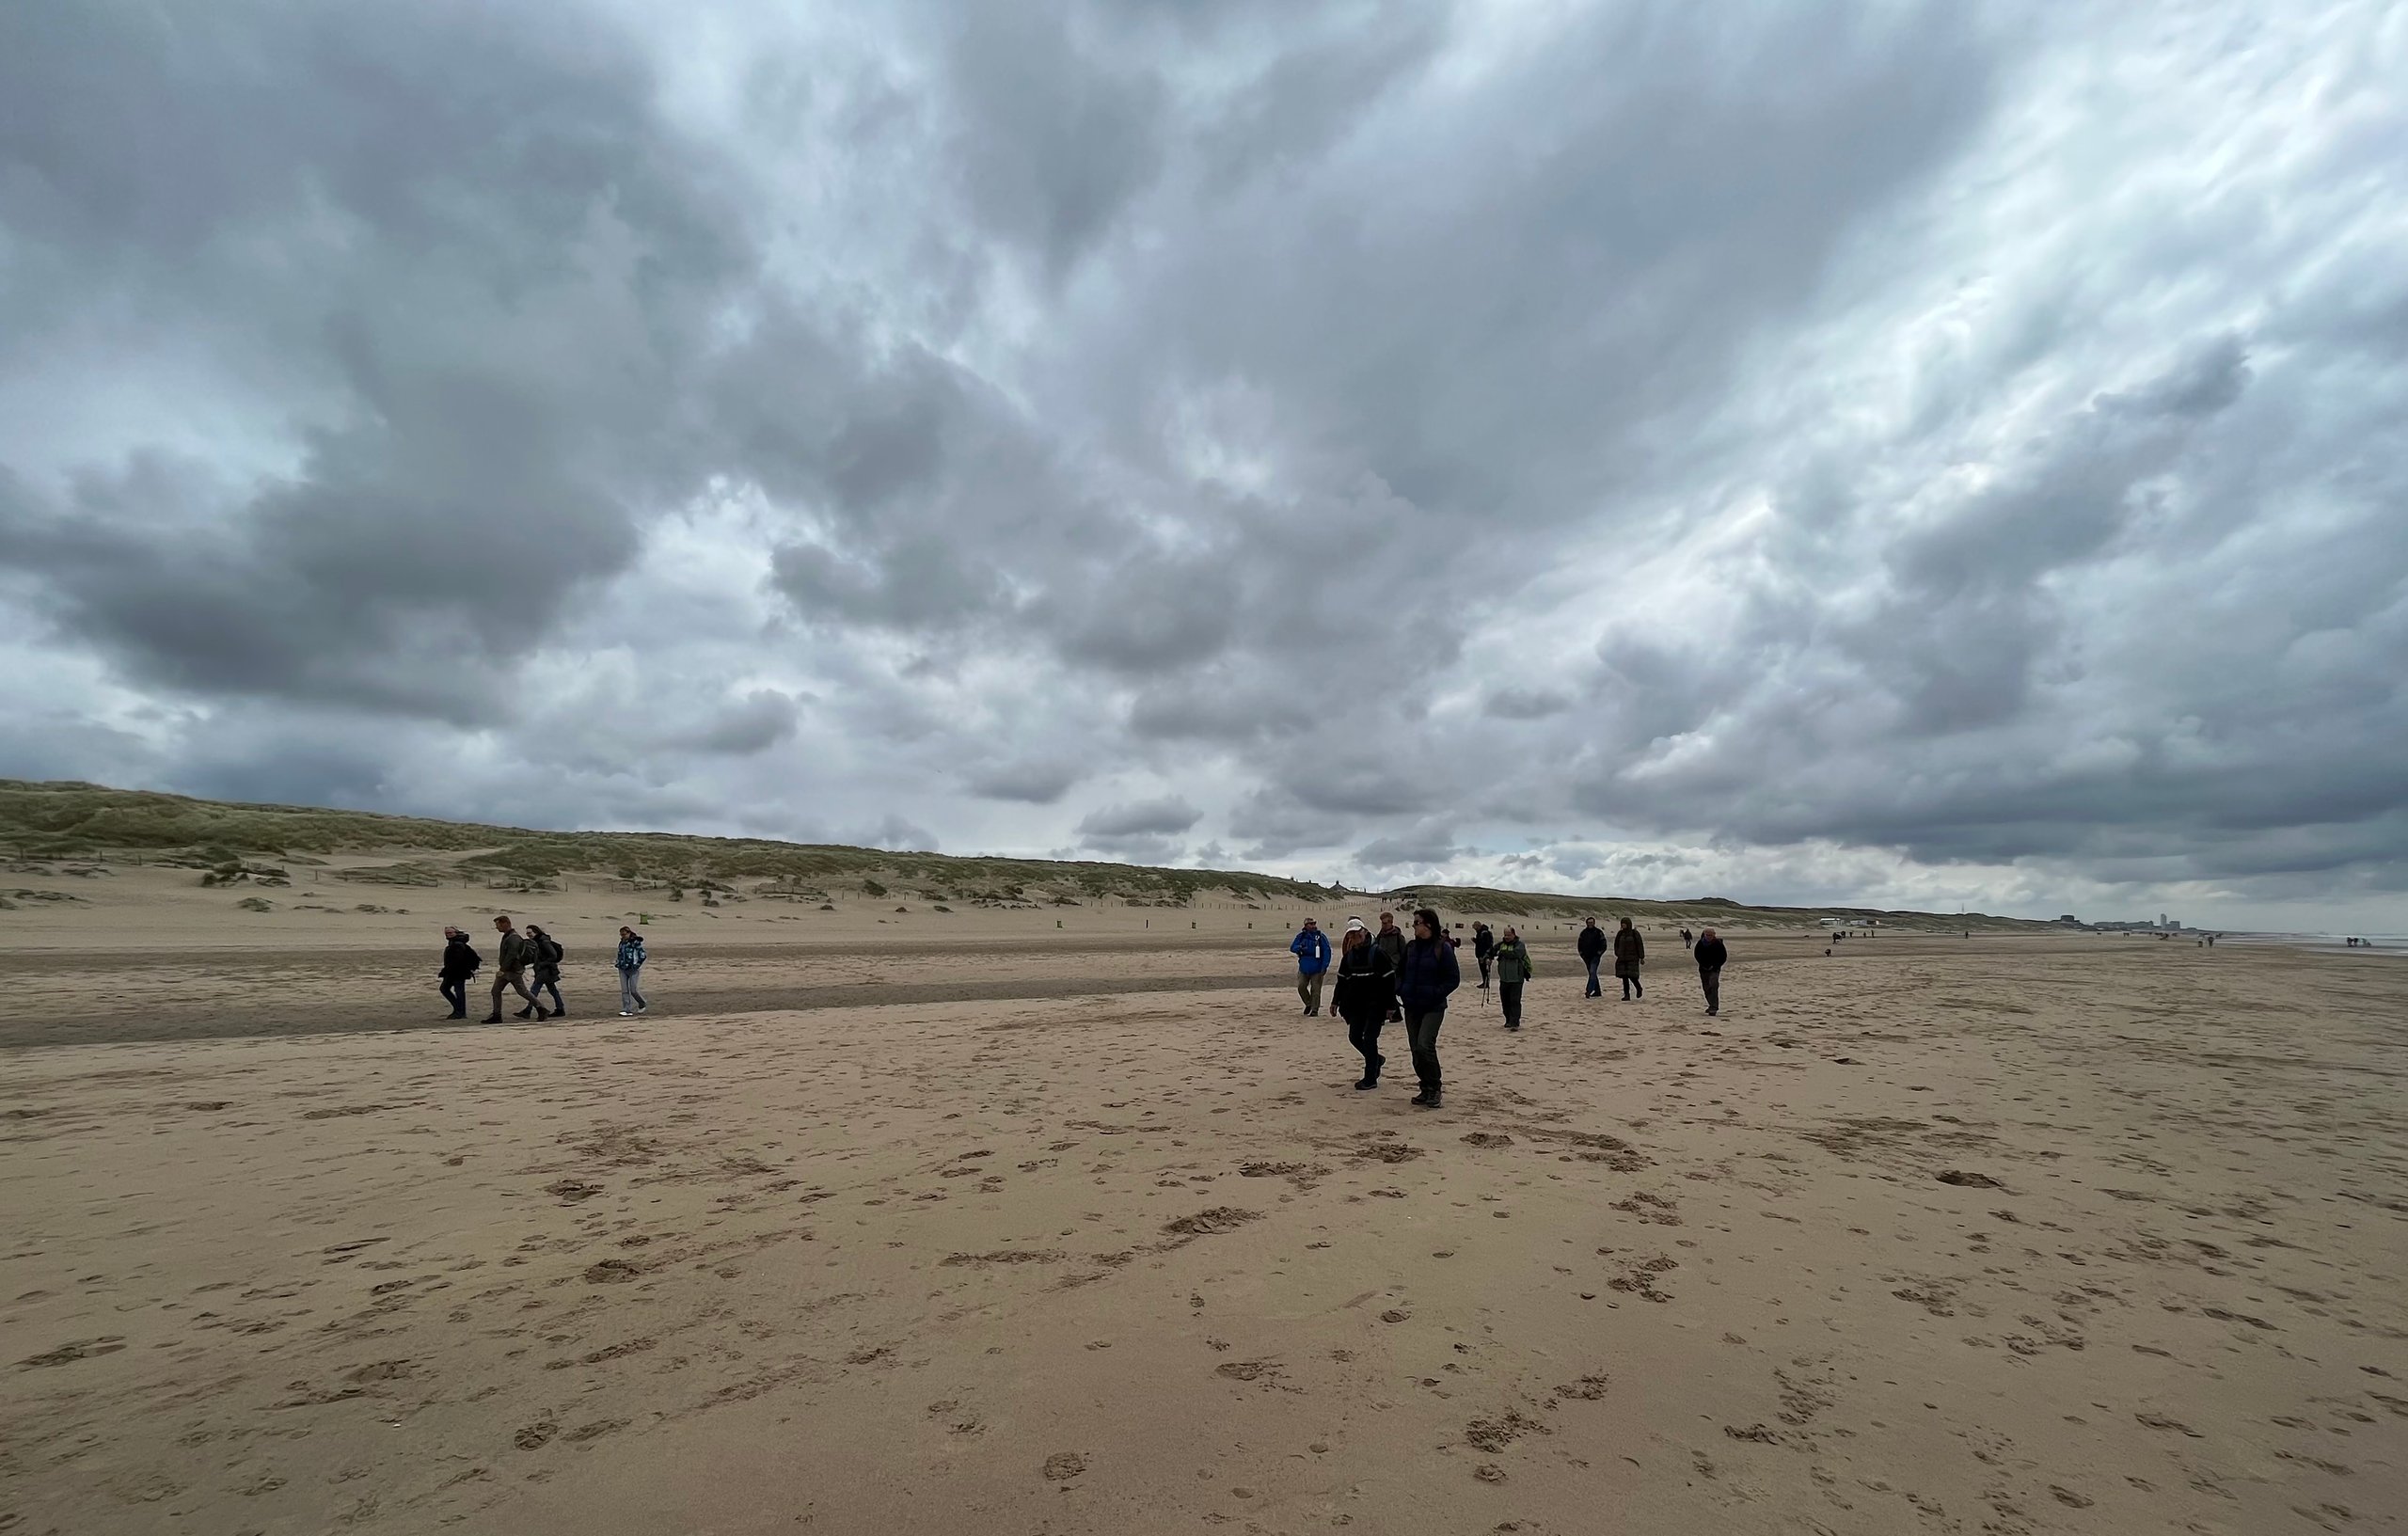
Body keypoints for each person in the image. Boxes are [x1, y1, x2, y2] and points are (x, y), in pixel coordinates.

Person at [1396, 908, 1460, 1107]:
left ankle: (1435, 1087)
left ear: (1429, 924)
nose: (1414, 926)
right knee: (1416, 1049)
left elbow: (1453, 979)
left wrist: (1434, 993)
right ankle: (1425, 1087)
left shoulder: (1443, 948)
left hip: (1433, 1006)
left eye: (1417, 922)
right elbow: (1399, 972)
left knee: (1425, 1045)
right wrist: (1401, 989)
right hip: (1411, 1005)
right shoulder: (1411, 947)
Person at [1330, 918, 1395, 1089]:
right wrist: (1335, 1001)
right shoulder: (1349, 957)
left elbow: (1389, 981)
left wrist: (1391, 1006)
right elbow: (1342, 981)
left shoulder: (1378, 953)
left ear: (1365, 931)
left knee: (1370, 1038)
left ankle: (1370, 1078)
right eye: (1351, 934)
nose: (1355, 936)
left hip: (1376, 1005)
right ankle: (1376, 1060)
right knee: (1354, 1037)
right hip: (1355, 1005)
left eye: (1357, 932)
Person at [482, 914, 547, 1022]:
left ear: (505, 924)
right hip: (511, 970)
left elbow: (512, 955)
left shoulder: (513, 938)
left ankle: (541, 1008)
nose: (497, 927)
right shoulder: (509, 936)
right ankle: (497, 1015)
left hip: (512, 970)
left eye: (498, 925)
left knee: (515, 991)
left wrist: (502, 970)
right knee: (506, 991)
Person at [1492, 925, 1533, 1031]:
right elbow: (1491, 951)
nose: (1506, 937)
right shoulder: (1501, 945)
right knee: (1505, 1001)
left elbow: (1515, 954)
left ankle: (1515, 1022)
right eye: (1505, 935)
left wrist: (1502, 952)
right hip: (1504, 979)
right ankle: (1508, 1020)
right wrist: (1486, 957)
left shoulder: (1520, 945)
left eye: (1509, 935)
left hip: (1517, 978)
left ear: (1514, 935)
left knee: (1514, 1001)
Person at [1289, 917, 1332, 1016]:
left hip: (1317, 967)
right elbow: (1292, 947)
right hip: (1304, 967)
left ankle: (1314, 1009)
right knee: (1301, 987)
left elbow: (1327, 951)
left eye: (1314, 924)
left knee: (1316, 990)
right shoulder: (1301, 936)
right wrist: (1300, 947)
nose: (1313, 926)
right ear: (1306, 926)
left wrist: (1324, 966)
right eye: (1311, 924)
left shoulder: (1320, 937)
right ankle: (1308, 1004)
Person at [437, 926, 480, 1019]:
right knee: (448, 989)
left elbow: (457, 960)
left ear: (456, 933)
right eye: (446, 933)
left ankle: (460, 1011)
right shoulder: (455, 942)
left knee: (456, 991)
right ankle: (458, 1010)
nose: (448, 935)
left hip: (458, 972)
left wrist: (446, 971)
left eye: (450, 933)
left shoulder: (458, 944)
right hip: (454, 972)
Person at [525, 923, 566, 1019]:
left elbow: (553, 955)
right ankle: (560, 1008)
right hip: (545, 969)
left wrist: (541, 964)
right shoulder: (537, 942)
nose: (528, 935)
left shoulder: (543, 942)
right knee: (552, 990)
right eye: (527, 933)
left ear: (535, 932)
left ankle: (528, 1010)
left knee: (534, 990)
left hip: (546, 970)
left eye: (530, 933)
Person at [1373, 912, 1407, 1022]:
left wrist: (1400, 966)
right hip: (1382, 968)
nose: (1383, 925)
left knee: (1390, 991)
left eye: (1385, 923)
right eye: (1382, 923)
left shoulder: (1398, 936)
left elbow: (1404, 953)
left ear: (1391, 922)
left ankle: (1392, 1015)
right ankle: (1391, 1015)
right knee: (1383, 991)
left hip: (1394, 968)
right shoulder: (1380, 935)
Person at [1694, 926, 1728, 1016]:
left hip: (1715, 969)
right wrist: (1704, 965)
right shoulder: (1700, 943)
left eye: (1710, 935)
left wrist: (1715, 966)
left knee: (1714, 985)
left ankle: (1714, 1007)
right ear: (1704, 935)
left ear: (1714, 935)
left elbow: (1723, 957)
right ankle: (1711, 1004)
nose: (1708, 936)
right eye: (1707, 935)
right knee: (1706, 988)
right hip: (1703, 969)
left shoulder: (1718, 944)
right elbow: (1697, 955)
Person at [615, 926, 648, 1016]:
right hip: (622, 969)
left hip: (633, 969)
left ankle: (642, 1003)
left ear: (629, 933)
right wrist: (618, 962)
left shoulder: (635, 942)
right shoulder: (621, 943)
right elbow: (620, 954)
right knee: (624, 990)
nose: (623, 936)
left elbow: (642, 955)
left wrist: (637, 965)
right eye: (621, 935)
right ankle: (626, 1009)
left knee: (633, 990)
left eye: (624, 934)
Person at [1611, 916, 1645, 1000]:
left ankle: (1639, 988)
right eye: (1622, 923)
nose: (1623, 925)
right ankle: (1627, 995)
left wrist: (1641, 957)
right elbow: (1616, 944)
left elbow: (1639, 945)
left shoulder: (1634, 933)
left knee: (1632, 976)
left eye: (1625, 923)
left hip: (1633, 958)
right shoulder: (1620, 934)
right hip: (1622, 958)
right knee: (1624, 977)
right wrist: (1617, 953)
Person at [1576, 917, 1607, 998]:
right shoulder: (1583, 933)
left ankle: (1589, 990)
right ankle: (1597, 991)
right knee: (1592, 974)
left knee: (1592, 972)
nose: (1590, 924)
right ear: (1586, 923)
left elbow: (1604, 944)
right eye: (1589, 922)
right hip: (1586, 957)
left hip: (1595, 957)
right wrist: (1582, 954)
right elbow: (1579, 944)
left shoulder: (1598, 932)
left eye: (1591, 922)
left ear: (1594, 923)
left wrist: (1599, 953)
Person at [1472, 922, 1497, 990]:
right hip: (1483, 954)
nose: (1474, 928)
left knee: (1485, 970)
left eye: (1475, 927)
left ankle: (1486, 983)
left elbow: (1484, 945)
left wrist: (1483, 956)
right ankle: (1485, 983)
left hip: (1484, 955)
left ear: (1478, 926)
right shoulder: (1482, 932)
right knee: (1484, 970)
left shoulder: (1484, 933)